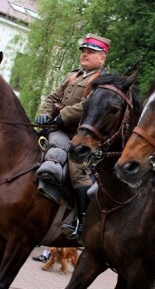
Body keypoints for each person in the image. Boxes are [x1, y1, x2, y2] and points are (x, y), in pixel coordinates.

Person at [34, 33, 111, 240]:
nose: (85, 54)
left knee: (78, 170)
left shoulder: (102, 81)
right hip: (58, 129)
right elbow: (52, 97)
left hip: (82, 136)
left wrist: (62, 116)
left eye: (91, 52)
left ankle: (82, 221)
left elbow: (87, 104)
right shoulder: (73, 76)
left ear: (102, 58)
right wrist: (45, 114)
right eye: (84, 51)